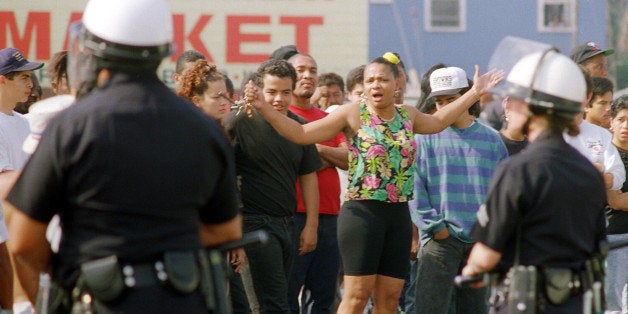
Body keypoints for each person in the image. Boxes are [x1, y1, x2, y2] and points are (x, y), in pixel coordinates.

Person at [5, 0, 242, 312]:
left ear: (93, 49)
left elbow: (23, 239)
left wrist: (71, 274)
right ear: (163, 50)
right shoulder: (204, 128)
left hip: (98, 298)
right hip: (180, 299)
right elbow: (226, 230)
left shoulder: (71, 126)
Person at [244, 51, 503, 313]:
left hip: (398, 215)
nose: (375, 85)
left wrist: (474, 93)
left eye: (382, 80)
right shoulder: (352, 113)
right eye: (369, 81)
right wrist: (265, 107)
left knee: (389, 300)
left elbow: (437, 121)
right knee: (356, 297)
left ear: (396, 85)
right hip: (362, 215)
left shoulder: (408, 115)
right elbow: (300, 134)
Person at [462, 49, 608, 313]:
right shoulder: (590, 175)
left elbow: (486, 255)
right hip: (579, 303)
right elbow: (598, 245)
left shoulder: (516, 170)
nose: (509, 104)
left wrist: (471, 269)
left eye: (516, 99)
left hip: (528, 303)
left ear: (532, 108)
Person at [224, 58, 322, 313]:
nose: (279, 98)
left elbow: (309, 175)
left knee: (280, 299)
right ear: (257, 90)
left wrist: (311, 225)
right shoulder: (239, 121)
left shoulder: (299, 128)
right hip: (253, 224)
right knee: (271, 305)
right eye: (271, 92)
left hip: (288, 225)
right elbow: (222, 172)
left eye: (286, 92)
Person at [412, 66, 508, 314]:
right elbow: (414, 189)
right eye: (439, 101)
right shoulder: (423, 138)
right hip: (439, 241)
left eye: (451, 100)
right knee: (430, 309)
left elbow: (503, 193)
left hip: (479, 243)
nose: (445, 106)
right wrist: (435, 228)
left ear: (468, 98)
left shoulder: (492, 139)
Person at [285, 53, 347, 314]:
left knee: (323, 299)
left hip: (331, 217)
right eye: (300, 70)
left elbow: (349, 158)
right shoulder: (282, 116)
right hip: (295, 216)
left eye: (312, 70)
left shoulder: (328, 117)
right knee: (288, 295)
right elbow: (292, 163)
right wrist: (324, 155)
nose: (308, 75)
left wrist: (316, 149)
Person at [0, 46, 43, 314]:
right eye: (23, 77)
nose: (31, 83)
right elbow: (4, 180)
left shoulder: (25, 123)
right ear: (2, 80)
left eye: (30, 77)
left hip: (23, 231)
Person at [564, 69, 625, 191]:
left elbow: (618, 173)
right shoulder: (547, 130)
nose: (608, 109)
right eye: (602, 103)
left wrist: (608, 179)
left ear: (587, 96)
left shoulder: (601, 135)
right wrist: (589, 170)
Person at [605, 94, 628, 314]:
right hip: (615, 240)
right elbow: (616, 201)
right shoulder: (606, 155)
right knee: (614, 307)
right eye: (621, 119)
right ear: (611, 122)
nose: (626, 125)